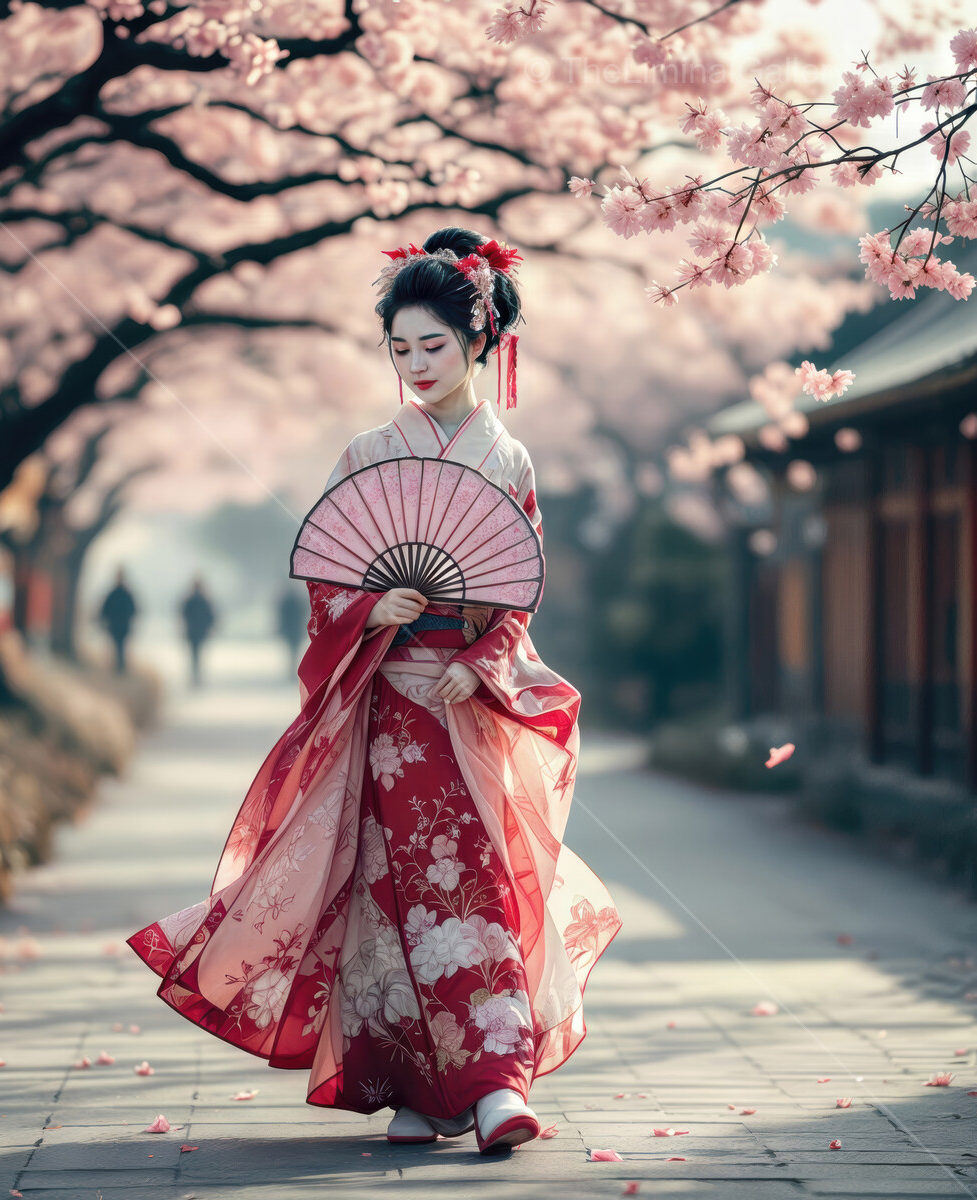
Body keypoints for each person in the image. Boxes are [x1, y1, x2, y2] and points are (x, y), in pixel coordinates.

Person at [127, 228, 620, 1156]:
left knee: (472, 885)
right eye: (400, 348)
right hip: (387, 705)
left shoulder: (507, 462)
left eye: (434, 344)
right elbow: (327, 583)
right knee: (386, 894)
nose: (417, 364)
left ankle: (491, 1082)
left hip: (465, 701)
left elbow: (523, 587)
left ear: (480, 341)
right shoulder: (367, 452)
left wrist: (487, 653)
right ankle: (413, 1083)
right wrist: (371, 607)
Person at [99, 567, 137, 675]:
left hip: (118, 626)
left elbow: (104, 610)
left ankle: (119, 667)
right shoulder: (125, 594)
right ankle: (120, 667)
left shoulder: (116, 594)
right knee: (119, 646)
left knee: (119, 646)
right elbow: (134, 610)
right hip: (119, 625)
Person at [179, 576, 215, 688]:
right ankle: (197, 675)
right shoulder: (205, 600)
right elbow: (210, 616)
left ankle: (194, 675)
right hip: (201, 631)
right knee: (198, 654)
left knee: (193, 654)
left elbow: (183, 614)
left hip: (191, 631)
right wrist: (209, 627)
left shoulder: (189, 600)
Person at [276, 585, 308, 681]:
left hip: (290, 629)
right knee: (294, 649)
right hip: (295, 629)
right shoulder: (298, 601)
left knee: (292, 649)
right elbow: (303, 613)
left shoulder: (285, 601)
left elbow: (281, 615)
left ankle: (291, 669)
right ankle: (292, 669)